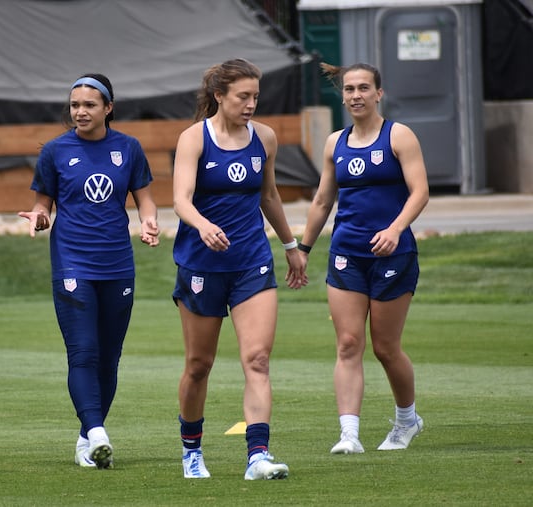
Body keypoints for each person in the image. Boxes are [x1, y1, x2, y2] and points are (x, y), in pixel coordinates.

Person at [171, 58, 306, 480]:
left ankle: (258, 456)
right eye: (242, 97)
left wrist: (290, 246)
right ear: (219, 96)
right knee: (198, 365)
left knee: (258, 359)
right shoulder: (194, 138)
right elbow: (180, 199)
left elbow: (269, 197)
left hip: (251, 263)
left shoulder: (264, 137)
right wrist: (203, 224)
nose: (250, 105)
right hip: (201, 265)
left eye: (255, 97)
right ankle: (191, 451)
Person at [18, 74, 159, 470]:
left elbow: (145, 201)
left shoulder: (128, 148)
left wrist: (149, 223)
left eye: (89, 105)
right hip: (72, 262)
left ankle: (86, 440)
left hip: (117, 263)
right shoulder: (55, 151)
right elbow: (42, 204)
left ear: (108, 108)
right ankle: (97, 432)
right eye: (75, 104)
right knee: (83, 352)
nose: (80, 111)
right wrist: (40, 217)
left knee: (109, 357)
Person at [298, 62, 429, 455]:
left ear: (378, 94)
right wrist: (302, 249)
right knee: (348, 343)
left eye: (363, 88)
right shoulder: (334, 143)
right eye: (349, 89)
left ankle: (408, 419)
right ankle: (349, 434)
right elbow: (323, 200)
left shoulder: (399, 136)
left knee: (385, 347)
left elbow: (419, 192)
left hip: (393, 254)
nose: (355, 95)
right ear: (343, 95)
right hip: (346, 256)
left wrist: (394, 230)